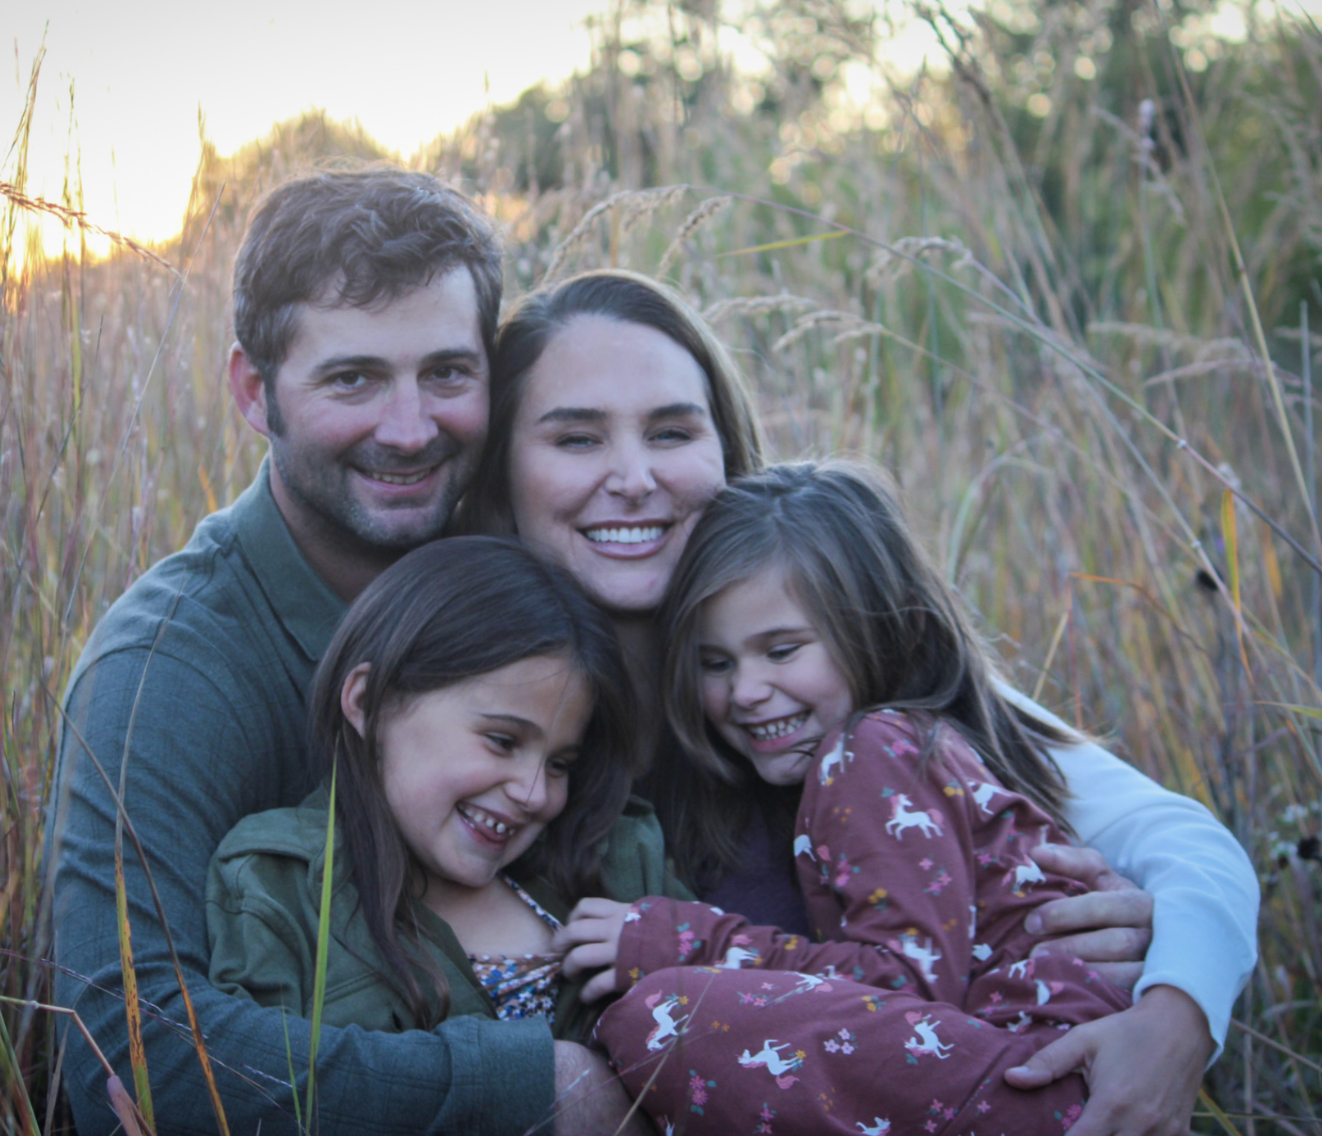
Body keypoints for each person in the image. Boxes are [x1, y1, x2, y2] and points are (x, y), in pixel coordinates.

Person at [474, 269, 1258, 1135]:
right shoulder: (461, 692)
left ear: (726, 450)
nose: (632, 476)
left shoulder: (867, 686)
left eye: (671, 432)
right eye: (576, 439)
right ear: (500, 473)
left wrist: (1174, 1016)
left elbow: (1182, 843)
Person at [46, 169, 642, 1136]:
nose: (410, 431)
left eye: (447, 374)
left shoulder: (528, 583)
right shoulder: (168, 670)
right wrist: (528, 1088)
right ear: (256, 390)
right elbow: (129, 1053)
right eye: (352, 378)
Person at [567, 460, 1139, 1132]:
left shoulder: (870, 749)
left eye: (782, 651)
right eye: (715, 663)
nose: (745, 691)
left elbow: (905, 985)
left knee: (661, 1018)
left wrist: (685, 941)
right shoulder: (906, 748)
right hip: (1023, 1067)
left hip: (1038, 1076)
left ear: (881, 629)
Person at [209, 535, 673, 1040]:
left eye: (560, 764)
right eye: (502, 741)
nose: (535, 795)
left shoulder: (617, 858)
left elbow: (736, 996)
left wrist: (673, 951)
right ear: (368, 702)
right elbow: (259, 1076)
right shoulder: (280, 890)